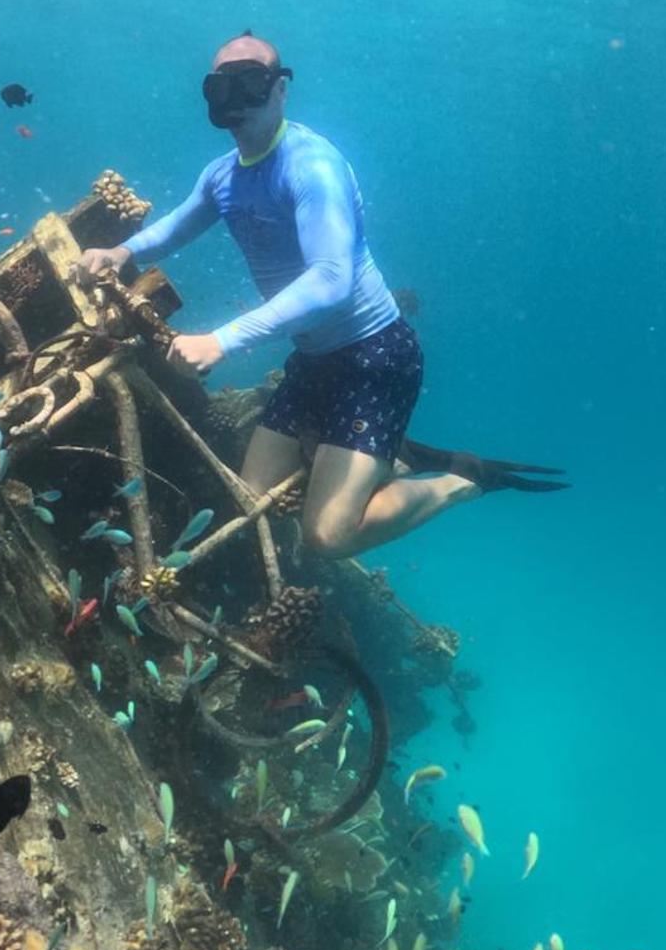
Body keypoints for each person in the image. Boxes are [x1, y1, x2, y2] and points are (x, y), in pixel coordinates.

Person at [76, 32, 565, 558]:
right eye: (221, 87)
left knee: (327, 537)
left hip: (375, 360)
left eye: (252, 83)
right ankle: (386, 455)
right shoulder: (222, 176)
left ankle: (463, 479)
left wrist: (224, 340)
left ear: (281, 90)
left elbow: (332, 281)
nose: (236, 99)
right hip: (314, 359)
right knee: (250, 498)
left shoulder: (312, 167)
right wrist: (122, 252)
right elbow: (176, 227)